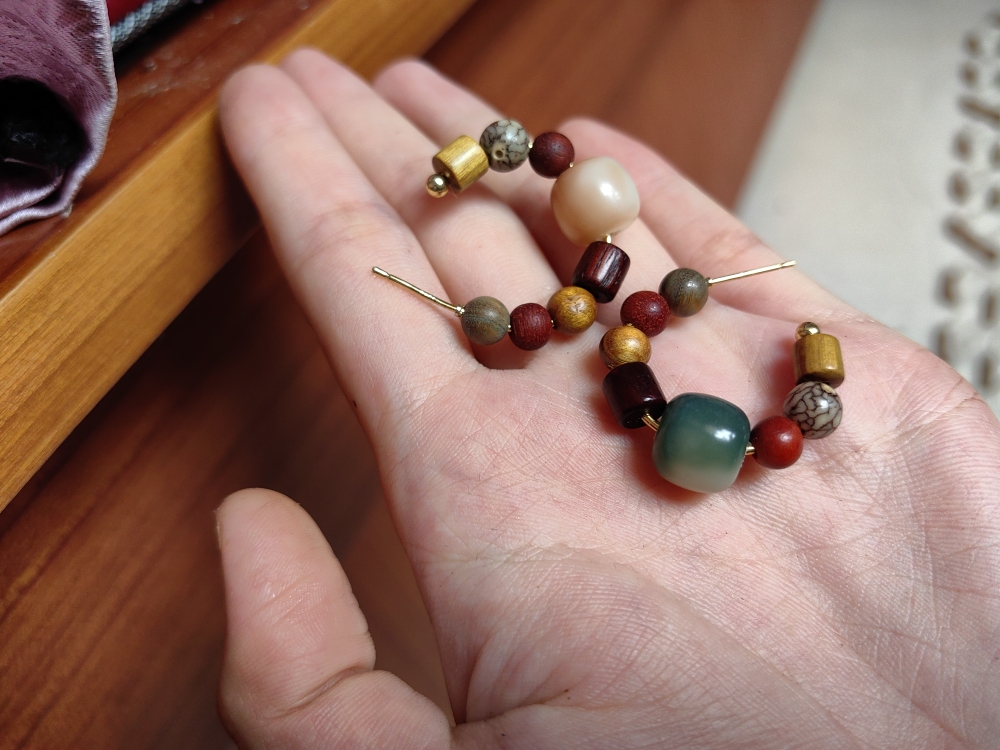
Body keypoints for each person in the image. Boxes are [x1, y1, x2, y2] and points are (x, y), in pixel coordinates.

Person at [213, 49, 1000, 748]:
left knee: (606, 311)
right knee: (598, 303)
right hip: (651, 378)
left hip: (663, 393)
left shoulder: (651, 354)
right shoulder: (632, 328)